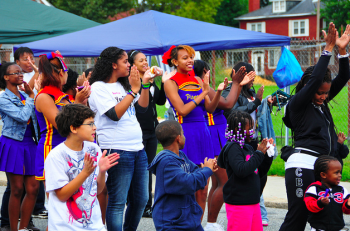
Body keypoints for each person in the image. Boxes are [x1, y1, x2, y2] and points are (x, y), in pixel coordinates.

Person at [279, 23, 350, 231]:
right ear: (309, 88)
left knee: (324, 216)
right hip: (302, 164)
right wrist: (327, 49)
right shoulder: (298, 104)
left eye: (326, 93)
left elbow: (344, 76)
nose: (323, 97)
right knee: (298, 215)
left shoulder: (322, 104)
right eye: (319, 92)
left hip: (322, 167)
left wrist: (342, 50)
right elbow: (316, 79)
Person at [88, 46, 153, 231]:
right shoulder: (98, 88)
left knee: (141, 199)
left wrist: (145, 85)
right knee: (118, 201)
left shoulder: (124, 85)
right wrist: (133, 90)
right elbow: (114, 114)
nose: (129, 65)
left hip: (138, 149)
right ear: (113, 64)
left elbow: (142, 108)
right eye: (125, 61)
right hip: (117, 150)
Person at [163, 45, 225, 217]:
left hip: (204, 133)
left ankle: (197, 226)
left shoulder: (197, 80)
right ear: (175, 62)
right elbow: (182, 110)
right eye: (185, 58)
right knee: (189, 185)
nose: (190, 60)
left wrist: (217, 91)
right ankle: (184, 223)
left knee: (203, 189)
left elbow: (210, 109)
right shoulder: (170, 82)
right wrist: (203, 93)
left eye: (191, 57)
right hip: (186, 134)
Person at [193, 60, 254, 231]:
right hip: (213, 133)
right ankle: (209, 223)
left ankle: (210, 222)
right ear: (205, 71)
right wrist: (236, 84)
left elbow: (230, 101)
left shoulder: (200, 84)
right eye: (208, 71)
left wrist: (238, 85)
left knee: (216, 182)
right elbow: (228, 104)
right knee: (224, 182)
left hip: (217, 132)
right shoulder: (200, 84)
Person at [45, 104, 120, 230]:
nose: (95, 127)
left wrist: (101, 172)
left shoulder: (93, 149)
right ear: (74, 128)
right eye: (90, 124)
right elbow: (62, 195)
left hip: (93, 225)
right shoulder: (56, 156)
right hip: (65, 227)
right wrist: (85, 173)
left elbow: (97, 190)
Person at [148, 120, 217, 231]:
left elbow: (195, 172)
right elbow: (188, 183)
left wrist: (205, 170)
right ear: (178, 138)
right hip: (172, 222)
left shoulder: (181, 156)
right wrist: (207, 170)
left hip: (187, 218)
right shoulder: (166, 162)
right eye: (183, 133)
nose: (184, 136)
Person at [35, 52, 91, 183]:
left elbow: (83, 122)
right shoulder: (44, 96)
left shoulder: (62, 95)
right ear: (61, 72)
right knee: (58, 198)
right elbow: (61, 125)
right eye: (66, 72)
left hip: (71, 148)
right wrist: (77, 103)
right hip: (53, 148)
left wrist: (83, 103)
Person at [217, 110, 273, 231]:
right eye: (249, 129)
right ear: (238, 130)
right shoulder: (232, 148)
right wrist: (259, 153)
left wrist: (267, 154)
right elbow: (241, 170)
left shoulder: (247, 147)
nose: (252, 132)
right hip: (239, 203)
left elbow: (259, 172)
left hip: (252, 201)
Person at [127, 50, 167, 218]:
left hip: (151, 131)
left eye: (146, 60)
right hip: (137, 131)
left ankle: (147, 206)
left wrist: (160, 81)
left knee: (149, 167)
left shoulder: (149, 82)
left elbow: (160, 101)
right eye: (141, 60)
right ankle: (136, 203)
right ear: (133, 65)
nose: (145, 63)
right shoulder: (131, 84)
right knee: (138, 168)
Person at [0, 62, 39, 231]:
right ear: (6, 77)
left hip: (31, 143)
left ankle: (24, 227)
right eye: (15, 72)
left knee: (33, 188)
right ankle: (12, 229)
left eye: (21, 72)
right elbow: (23, 117)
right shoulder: (3, 98)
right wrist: (31, 98)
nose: (20, 74)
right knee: (16, 189)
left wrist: (32, 96)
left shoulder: (27, 94)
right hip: (13, 143)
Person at [304, 155, 350, 231]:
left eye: (340, 172)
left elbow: (346, 210)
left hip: (337, 228)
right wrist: (320, 203)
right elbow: (310, 206)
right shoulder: (314, 188)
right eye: (336, 173)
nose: (340, 175)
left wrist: (348, 205)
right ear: (323, 175)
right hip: (318, 228)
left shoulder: (342, 190)